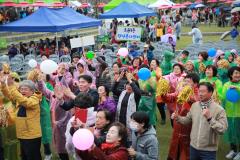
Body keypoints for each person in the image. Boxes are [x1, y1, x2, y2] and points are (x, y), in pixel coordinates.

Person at [173, 82, 228, 160]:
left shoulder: (219, 109)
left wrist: (210, 119)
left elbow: (222, 129)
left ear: (210, 93)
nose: (200, 94)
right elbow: (187, 120)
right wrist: (177, 117)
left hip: (208, 151)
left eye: (203, 91)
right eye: (199, 91)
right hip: (193, 148)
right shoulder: (194, 105)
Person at [1, 79, 42, 160]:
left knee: (33, 157)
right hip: (22, 135)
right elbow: (9, 95)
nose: (23, 91)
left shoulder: (34, 99)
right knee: (25, 157)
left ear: (32, 91)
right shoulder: (20, 100)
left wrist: (12, 87)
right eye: (21, 89)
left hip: (31, 136)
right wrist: (3, 85)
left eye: (25, 89)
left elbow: (26, 102)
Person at [167, 73, 200, 160]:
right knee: (175, 140)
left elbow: (196, 101)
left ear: (195, 84)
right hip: (177, 120)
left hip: (189, 123)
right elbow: (172, 97)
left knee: (186, 143)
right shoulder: (181, 89)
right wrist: (163, 94)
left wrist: (188, 95)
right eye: (185, 81)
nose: (185, 83)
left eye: (188, 81)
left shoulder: (198, 92)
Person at [220, 66, 240, 160]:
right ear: (231, 74)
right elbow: (223, 96)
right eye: (235, 73)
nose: (238, 75)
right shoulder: (226, 84)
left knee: (239, 132)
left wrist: (237, 88)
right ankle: (233, 150)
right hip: (229, 113)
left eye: (239, 73)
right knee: (231, 133)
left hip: (239, 114)